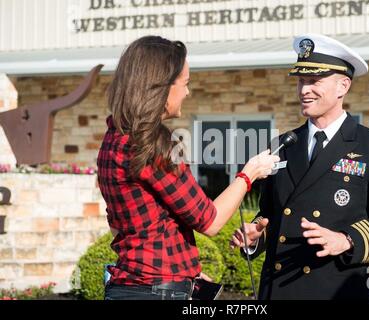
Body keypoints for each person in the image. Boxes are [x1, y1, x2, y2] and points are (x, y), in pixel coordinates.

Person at [97, 36, 279, 300]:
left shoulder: (113, 136)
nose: (187, 92)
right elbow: (210, 220)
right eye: (185, 84)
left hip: (127, 286)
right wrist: (249, 173)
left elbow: (122, 225)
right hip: (155, 291)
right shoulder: (153, 145)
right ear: (162, 86)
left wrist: (181, 274)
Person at [230, 34, 369, 300]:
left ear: (342, 86)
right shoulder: (283, 144)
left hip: (335, 289)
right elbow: (271, 213)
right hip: (277, 289)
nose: (304, 90)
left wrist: (347, 240)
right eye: (301, 81)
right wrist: (256, 237)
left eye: (314, 81)